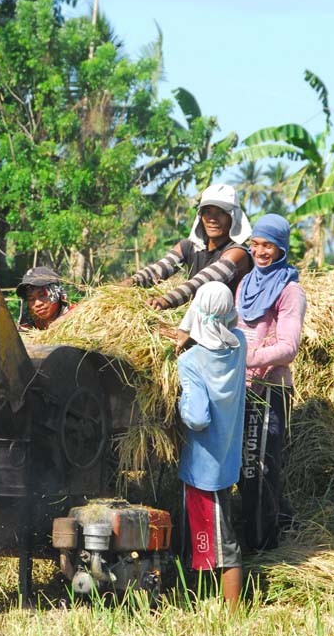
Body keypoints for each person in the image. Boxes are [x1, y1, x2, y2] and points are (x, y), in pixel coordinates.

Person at [236, 213, 307, 550]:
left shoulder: (290, 291)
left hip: (271, 390)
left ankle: (264, 547)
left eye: (268, 245)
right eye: (255, 244)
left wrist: (246, 358)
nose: (260, 251)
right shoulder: (245, 284)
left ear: (281, 248)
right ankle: (270, 529)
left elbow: (288, 348)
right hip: (239, 388)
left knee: (260, 467)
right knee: (243, 468)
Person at [176, 281, 247, 610]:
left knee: (221, 542)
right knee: (213, 533)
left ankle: (233, 615)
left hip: (203, 467)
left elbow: (197, 418)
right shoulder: (240, 346)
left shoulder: (190, 362)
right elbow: (223, 328)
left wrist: (179, 401)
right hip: (228, 458)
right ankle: (206, 599)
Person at [119, 183, 252, 310]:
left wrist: (165, 301)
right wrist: (129, 283)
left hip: (225, 324)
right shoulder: (189, 246)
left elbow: (202, 283)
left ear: (232, 217)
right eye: (207, 212)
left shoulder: (237, 252)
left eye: (221, 212)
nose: (213, 218)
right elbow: (160, 269)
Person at [16, 266, 74, 331]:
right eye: (31, 299)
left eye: (42, 295)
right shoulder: (30, 326)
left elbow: (85, 306)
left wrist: (64, 319)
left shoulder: (75, 316)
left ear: (56, 292)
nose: (38, 304)